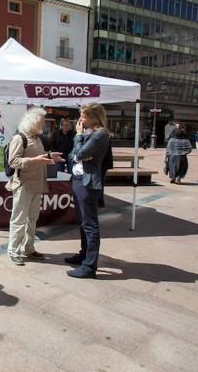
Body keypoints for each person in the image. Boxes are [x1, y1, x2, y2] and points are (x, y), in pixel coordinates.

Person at [5, 107, 63, 266]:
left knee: (32, 219)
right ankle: (13, 250)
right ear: (33, 123)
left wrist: (50, 157)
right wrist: (35, 160)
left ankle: (28, 248)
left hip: (37, 185)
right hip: (24, 185)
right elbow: (13, 162)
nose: (44, 125)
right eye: (42, 122)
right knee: (19, 219)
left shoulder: (38, 138)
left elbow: (38, 157)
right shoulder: (19, 138)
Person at [64, 103, 110, 279]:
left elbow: (80, 154)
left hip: (87, 184)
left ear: (94, 117)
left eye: (83, 116)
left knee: (90, 225)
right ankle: (84, 255)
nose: (80, 120)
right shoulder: (88, 134)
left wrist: (77, 138)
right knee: (82, 222)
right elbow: (72, 155)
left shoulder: (99, 134)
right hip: (78, 180)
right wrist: (79, 150)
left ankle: (90, 267)